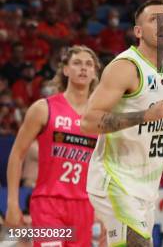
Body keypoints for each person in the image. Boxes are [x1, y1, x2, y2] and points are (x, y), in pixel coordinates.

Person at [81, 0, 163, 246]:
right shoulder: (126, 66)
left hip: (145, 186)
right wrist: (144, 115)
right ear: (138, 31)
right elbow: (89, 122)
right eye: (154, 20)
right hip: (115, 178)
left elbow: (160, 126)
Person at [6, 46, 101, 247]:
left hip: (84, 206)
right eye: (76, 63)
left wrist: (103, 210)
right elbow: (17, 155)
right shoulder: (43, 108)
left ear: (94, 73)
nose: (83, 68)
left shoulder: (99, 118)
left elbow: (105, 167)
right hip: (48, 203)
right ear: (65, 70)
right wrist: (12, 203)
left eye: (88, 64)